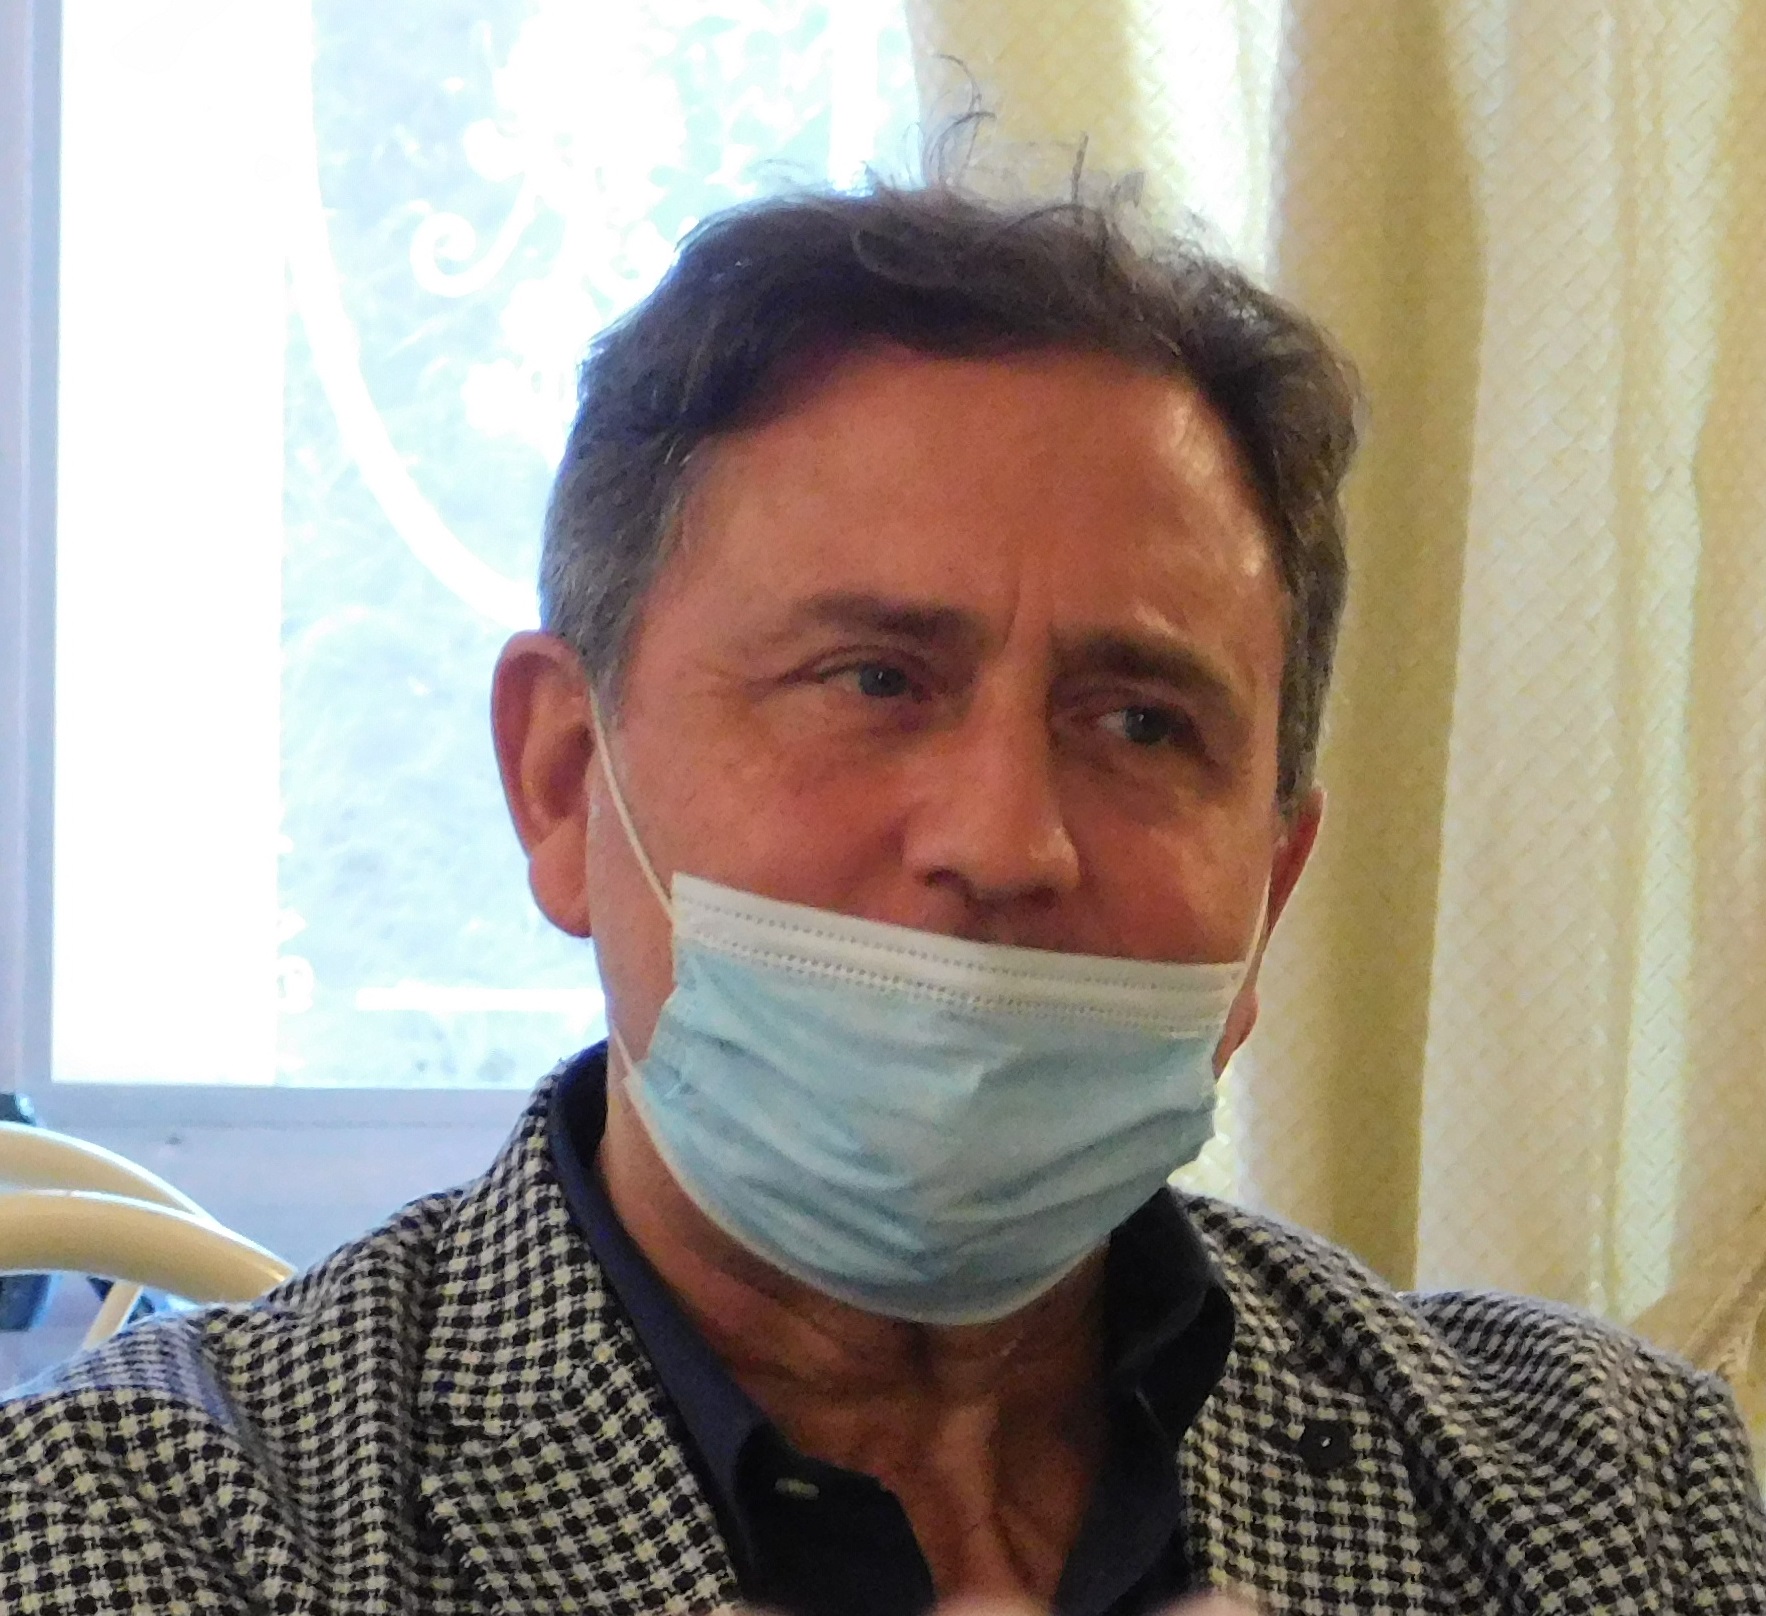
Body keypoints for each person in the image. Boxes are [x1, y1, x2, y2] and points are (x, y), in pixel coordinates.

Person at [2, 178, 1762, 1616]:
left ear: (1270, 887)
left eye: (1140, 723)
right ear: (562, 781)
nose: (1004, 841)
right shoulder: (135, 1529)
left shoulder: (1608, 1500)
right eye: (871, 680)